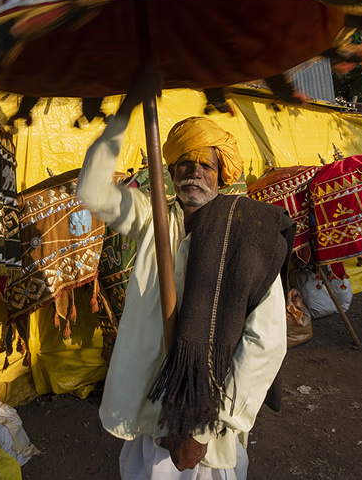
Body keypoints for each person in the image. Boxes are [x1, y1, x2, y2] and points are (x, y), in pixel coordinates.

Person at [77, 79, 293, 480]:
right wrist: (124, 114)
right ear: (171, 170)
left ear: (221, 173)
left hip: (208, 419)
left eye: (205, 164)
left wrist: (207, 426)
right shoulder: (154, 219)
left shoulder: (248, 232)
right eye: (184, 163)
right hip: (151, 403)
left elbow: (266, 341)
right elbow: (91, 190)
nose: (194, 171)